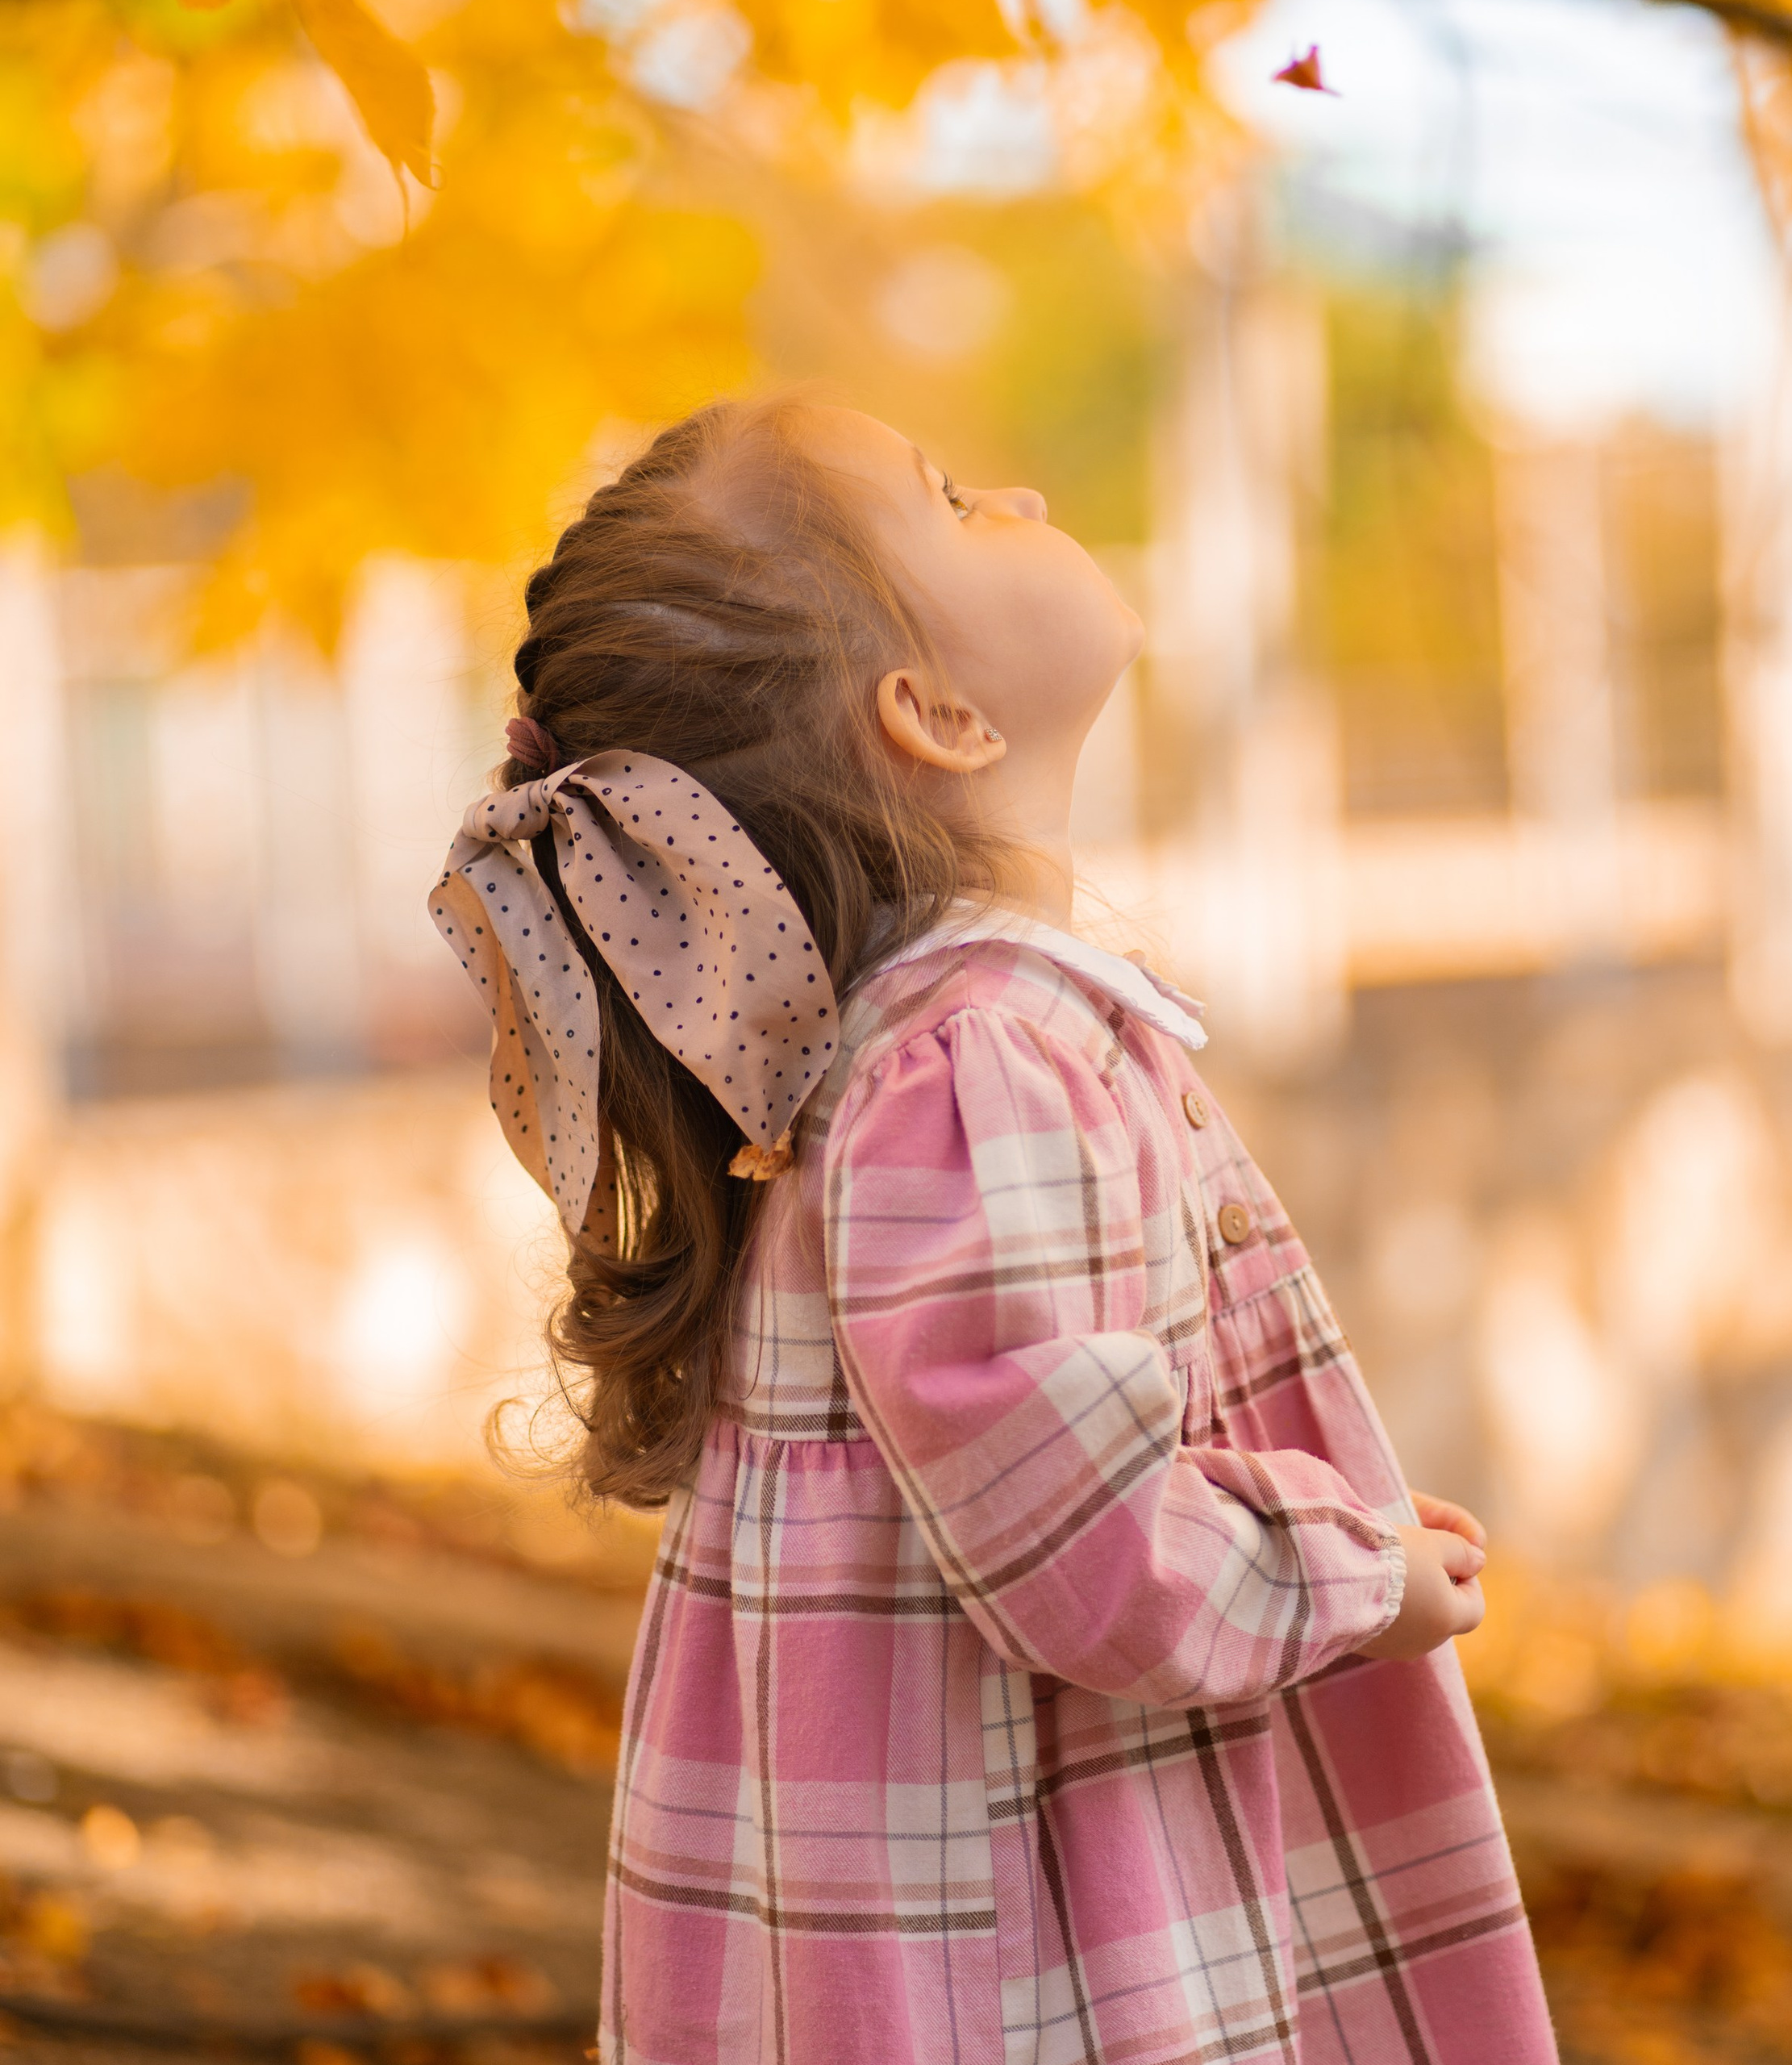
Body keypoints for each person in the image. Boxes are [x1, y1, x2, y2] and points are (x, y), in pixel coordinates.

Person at [431, 394, 1557, 2064]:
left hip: (939, 1869)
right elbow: (1081, 1546)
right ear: (937, 712)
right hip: (1022, 1928)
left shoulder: (912, 1051)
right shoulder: (980, 1062)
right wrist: (1340, 1568)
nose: (1021, 485)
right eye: (951, 500)